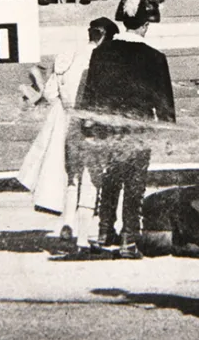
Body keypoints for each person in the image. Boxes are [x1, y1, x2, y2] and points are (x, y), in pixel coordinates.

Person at [80, 0, 175, 259]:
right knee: (135, 184)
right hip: (139, 129)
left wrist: (88, 127)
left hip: (108, 128)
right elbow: (164, 102)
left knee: (110, 179)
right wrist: (167, 132)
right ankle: (129, 240)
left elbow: (91, 94)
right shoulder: (155, 57)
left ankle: (104, 233)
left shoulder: (102, 52)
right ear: (146, 24)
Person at [18, 17, 119, 248]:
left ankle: (68, 224)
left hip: (68, 124)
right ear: (105, 36)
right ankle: (83, 237)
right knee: (92, 180)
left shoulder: (67, 57)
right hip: (93, 125)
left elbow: (51, 94)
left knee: (72, 177)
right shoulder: (103, 59)